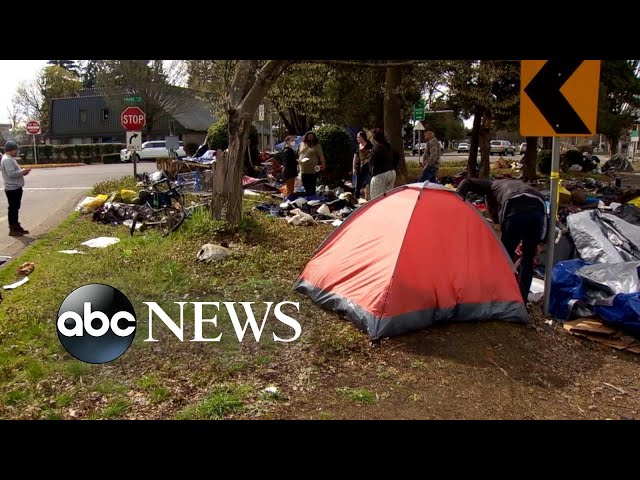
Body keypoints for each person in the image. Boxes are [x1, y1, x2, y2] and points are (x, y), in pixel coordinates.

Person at [457, 178, 548, 304]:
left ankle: (498, 296)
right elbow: (545, 219)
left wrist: (457, 201)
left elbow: (466, 182)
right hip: (537, 213)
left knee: (504, 258)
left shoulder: (491, 185)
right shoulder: (521, 188)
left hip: (515, 209)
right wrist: (542, 241)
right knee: (527, 260)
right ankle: (522, 300)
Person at [1, 141, 30, 236]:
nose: (16, 152)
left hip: (14, 187)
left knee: (15, 208)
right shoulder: (7, 160)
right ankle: (12, 229)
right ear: (11, 150)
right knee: (13, 209)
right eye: (15, 150)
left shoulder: (9, 158)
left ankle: (16, 226)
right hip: (12, 188)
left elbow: (14, 172)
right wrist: (22, 171)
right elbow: (11, 174)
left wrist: (22, 172)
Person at [368, 128, 397, 199]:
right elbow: (396, 156)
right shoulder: (387, 146)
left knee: (376, 199)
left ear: (374, 138)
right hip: (391, 173)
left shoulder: (376, 148)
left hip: (380, 175)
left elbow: (372, 162)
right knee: (387, 198)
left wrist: (372, 173)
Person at [297, 131, 326, 197]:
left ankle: (312, 198)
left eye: (312, 137)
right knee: (305, 185)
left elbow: (321, 156)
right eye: (309, 137)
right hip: (303, 169)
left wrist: (323, 164)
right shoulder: (302, 144)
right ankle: (308, 197)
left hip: (313, 169)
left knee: (312, 185)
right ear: (306, 138)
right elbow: (299, 154)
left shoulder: (317, 146)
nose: (310, 139)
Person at [352, 131, 372, 200]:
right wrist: (354, 168)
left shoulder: (369, 145)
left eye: (359, 137)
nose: (357, 138)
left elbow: (372, 155)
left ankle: (370, 197)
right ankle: (356, 198)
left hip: (367, 167)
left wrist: (367, 160)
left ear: (363, 137)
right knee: (358, 184)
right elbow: (355, 157)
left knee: (368, 181)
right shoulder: (357, 146)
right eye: (357, 137)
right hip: (359, 167)